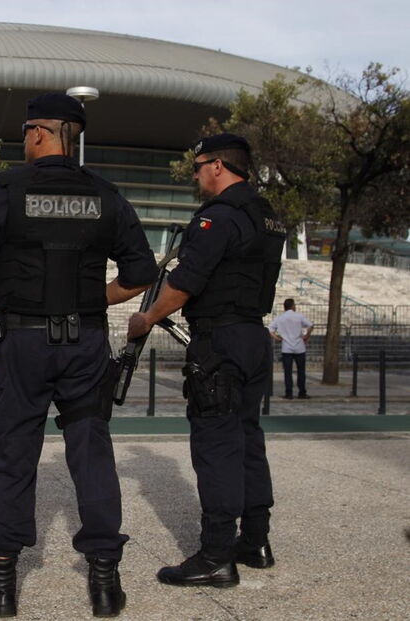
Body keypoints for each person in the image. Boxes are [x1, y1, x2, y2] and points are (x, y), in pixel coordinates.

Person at [0, 92, 158, 618]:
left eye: (26, 132)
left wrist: (9, 311)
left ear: (41, 131)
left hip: (21, 343)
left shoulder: (3, 192)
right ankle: (106, 584)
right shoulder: (107, 195)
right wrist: (93, 300)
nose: (24, 140)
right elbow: (140, 274)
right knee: (92, 454)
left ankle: (1, 586)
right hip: (86, 342)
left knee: (10, 455)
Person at [127, 133, 286, 588]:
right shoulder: (267, 215)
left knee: (216, 445)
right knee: (248, 439)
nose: (195, 175)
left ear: (218, 165)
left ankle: (216, 554)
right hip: (253, 335)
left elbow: (185, 283)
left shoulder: (218, 217)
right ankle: (255, 540)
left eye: (198, 166)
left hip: (220, 341)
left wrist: (146, 318)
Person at [269, 298, 313, 399]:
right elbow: (310, 325)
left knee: (287, 372)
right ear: (293, 306)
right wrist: (306, 336)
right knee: (301, 371)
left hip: (286, 347)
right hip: (299, 346)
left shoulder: (280, 318)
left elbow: (270, 329)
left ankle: (289, 393)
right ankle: (302, 392)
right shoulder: (299, 316)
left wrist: (278, 338)